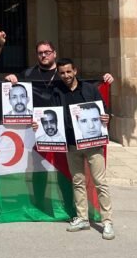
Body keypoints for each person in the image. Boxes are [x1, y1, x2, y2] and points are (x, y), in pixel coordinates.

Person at [42, 57, 114, 240]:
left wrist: (107, 117)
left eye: (68, 71)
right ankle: (82, 218)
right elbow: (51, 115)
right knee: (78, 181)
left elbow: (104, 111)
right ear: (59, 74)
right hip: (72, 144)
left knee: (100, 182)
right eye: (62, 73)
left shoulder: (90, 90)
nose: (66, 75)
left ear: (75, 71)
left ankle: (107, 221)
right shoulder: (57, 92)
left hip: (93, 144)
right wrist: (39, 126)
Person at [6, 41, 114, 86]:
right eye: (40, 53)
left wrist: (104, 79)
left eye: (47, 52)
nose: (44, 55)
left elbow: (85, 85)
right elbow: (11, 80)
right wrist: (10, 77)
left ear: (54, 53)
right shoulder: (28, 73)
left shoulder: (64, 72)